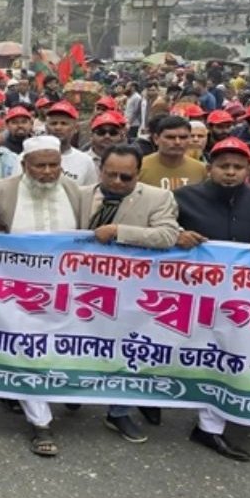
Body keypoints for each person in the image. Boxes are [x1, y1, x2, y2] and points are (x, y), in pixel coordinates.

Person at [174, 137, 250, 461]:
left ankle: (210, 427)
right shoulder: (182, 198)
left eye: (237, 167)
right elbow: (160, 226)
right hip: (187, 295)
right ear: (210, 169)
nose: (230, 173)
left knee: (224, 355)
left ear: (247, 170)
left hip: (236, 299)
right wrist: (175, 235)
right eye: (224, 166)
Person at [0, 136, 80, 456]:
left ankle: (57, 390)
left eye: (54, 165)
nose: (48, 172)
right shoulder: (0, 192)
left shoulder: (74, 190)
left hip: (66, 288)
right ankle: (40, 423)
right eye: (40, 165)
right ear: (24, 165)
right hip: (16, 290)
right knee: (28, 348)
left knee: (62, 344)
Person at [77, 144, 180, 443]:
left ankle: (119, 412)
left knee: (126, 350)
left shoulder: (158, 197)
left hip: (131, 292)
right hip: (82, 286)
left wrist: (119, 231)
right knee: (79, 342)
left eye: (126, 177)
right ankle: (73, 394)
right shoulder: (81, 195)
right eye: (111, 175)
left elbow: (166, 234)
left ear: (139, 174)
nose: (118, 183)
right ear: (100, 170)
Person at [138, 115, 207, 191]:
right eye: (170, 137)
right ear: (156, 139)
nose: (177, 142)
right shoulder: (139, 168)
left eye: (183, 137)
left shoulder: (201, 170)